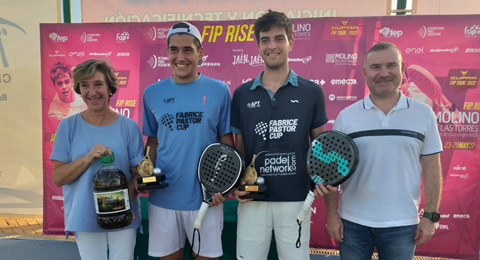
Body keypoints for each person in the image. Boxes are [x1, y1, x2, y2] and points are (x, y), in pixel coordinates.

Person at [324, 42, 443, 260]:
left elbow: (432, 168)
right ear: (365, 72)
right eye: (376, 67)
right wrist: (332, 216)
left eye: (391, 65)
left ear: (402, 68)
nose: (384, 73)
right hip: (352, 223)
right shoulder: (346, 116)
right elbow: (332, 173)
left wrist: (430, 216)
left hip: (402, 225)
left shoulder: (424, 114)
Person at [231, 10, 333, 260]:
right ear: (258, 45)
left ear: (291, 42)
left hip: (296, 200)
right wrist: (237, 184)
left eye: (279, 38)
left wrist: (328, 200)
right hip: (253, 200)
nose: (272, 46)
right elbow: (240, 148)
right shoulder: (242, 94)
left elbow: (320, 148)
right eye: (265, 40)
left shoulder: (312, 92)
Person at [142, 21, 233, 260]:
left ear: (200, 53)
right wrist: (145, 173)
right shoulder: (152, 93)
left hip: (207, 199)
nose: (180, 56)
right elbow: (152, 142)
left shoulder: (220, 90)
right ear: (167, 53)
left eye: (187, 50)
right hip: (164, 198)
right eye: (174, 50)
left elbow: (226, 143)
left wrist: (225, 185)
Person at [50, 59, 144, 260]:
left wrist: (120, 206)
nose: (92, 92)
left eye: (98, 84)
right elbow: (58, 177)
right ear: (79, 89)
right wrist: (88, 158)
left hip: (123, 218)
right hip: (85, 217)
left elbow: (138, 176)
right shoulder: (67, 127)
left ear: (110, 87)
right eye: (85, 85)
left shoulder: (129, 127)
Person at [48, 61, 86, 126]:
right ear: (54, 86)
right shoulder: (54, 112)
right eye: (59, 83)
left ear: (72, 82)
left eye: (67, 82)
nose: (64, 87)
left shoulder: (83, 92)